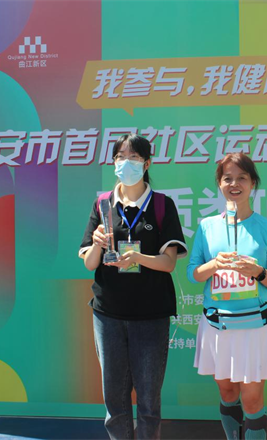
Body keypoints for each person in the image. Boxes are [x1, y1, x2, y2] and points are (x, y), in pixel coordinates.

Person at [79, 134, 187, 440]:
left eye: (134, 157)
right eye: (120, 157)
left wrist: (138, 257)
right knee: (114, 401)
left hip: (151, 316)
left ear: (147, 163)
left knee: (149, 402)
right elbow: (89, 263)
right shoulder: (103, 204)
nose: (126, 163)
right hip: (108, 315)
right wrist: (97, 243)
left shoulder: (162, 205)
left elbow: (169, 263)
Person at [187, 153, 267, 440]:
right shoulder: (207, 226)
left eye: (242, 178)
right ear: (219, 184)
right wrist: (213, 265)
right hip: (217, 325)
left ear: (253, 183)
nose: (234, 184)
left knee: (252, 399)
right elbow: (193, 273)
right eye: (227, 178)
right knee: (227, 391)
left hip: (254, 326)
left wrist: (258, 272)